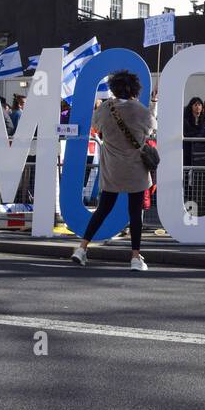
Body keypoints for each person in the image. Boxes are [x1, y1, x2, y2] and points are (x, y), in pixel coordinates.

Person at [71, 70, 156, 270]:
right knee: (135, 213)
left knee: (102, 210)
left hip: (112, 169)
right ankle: (135, 257)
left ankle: (82, 248)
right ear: (135, 89)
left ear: (114, 88)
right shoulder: (141, 111)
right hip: (135, 169)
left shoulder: (105, 109)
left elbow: (96, 126)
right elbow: (151, 129)